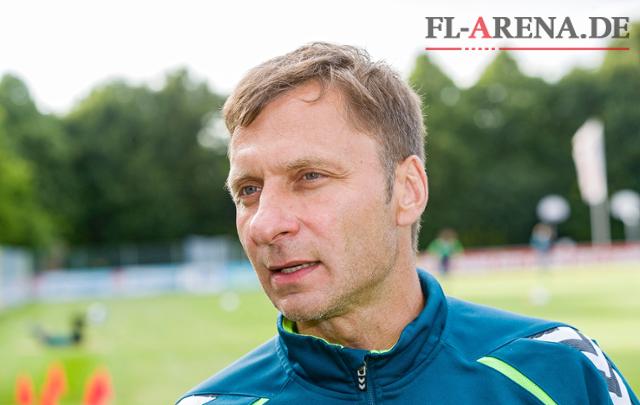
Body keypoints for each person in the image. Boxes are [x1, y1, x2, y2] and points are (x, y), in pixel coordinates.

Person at [177, 43, 638, 405]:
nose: (264, 224)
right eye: (248, 190)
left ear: (408, 190)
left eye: (310, 177)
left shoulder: (562, 371)